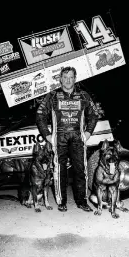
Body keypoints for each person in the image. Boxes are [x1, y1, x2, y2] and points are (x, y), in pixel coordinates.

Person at [36, 66, 99, 212]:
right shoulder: (52, 96)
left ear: (75, 79)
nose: (68, 80)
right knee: (59, 170)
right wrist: (48, 136)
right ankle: (61, 201)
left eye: (71, 77)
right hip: (59, 138)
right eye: (65, 77)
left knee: (80, 170)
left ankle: (82, 201)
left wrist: (88, 133)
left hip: (78, 138)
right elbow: (39, 116)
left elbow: (94, 115)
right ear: (60, 79)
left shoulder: (84, 95)